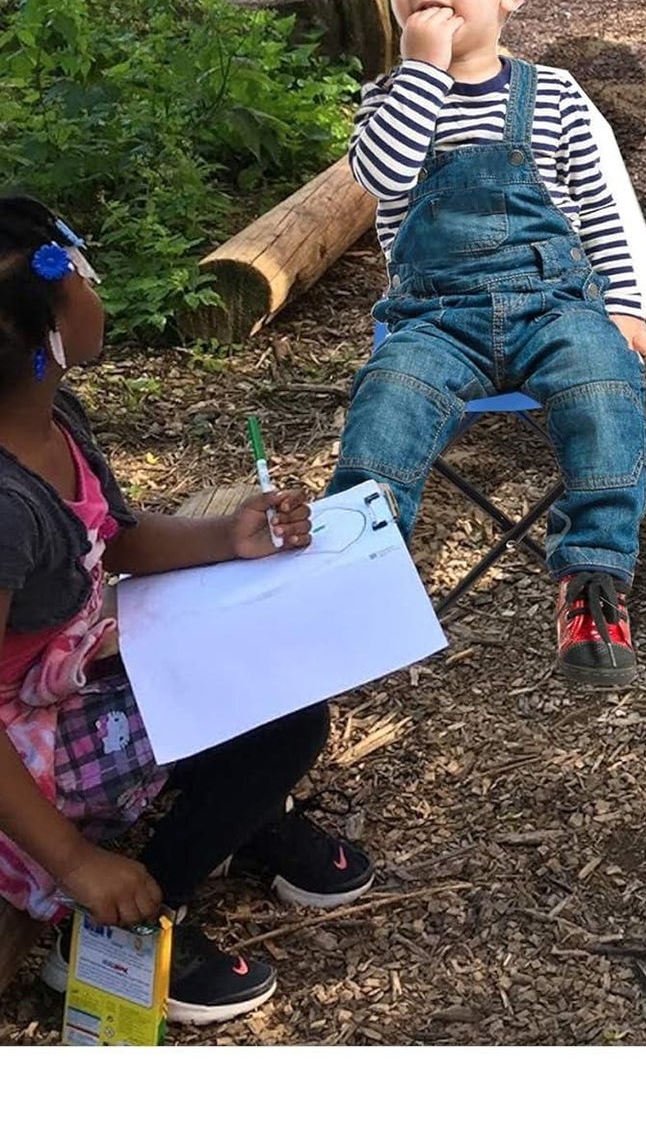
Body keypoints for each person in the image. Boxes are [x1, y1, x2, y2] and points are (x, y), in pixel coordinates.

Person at [0, 196, 374, 1027]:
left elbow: (116, 538)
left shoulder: (53, 416)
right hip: (28, 749)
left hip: (78, 668)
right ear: (48, 334)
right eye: (88, 279)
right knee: (285, 721)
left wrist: (227, 537)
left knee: (268, 668)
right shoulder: (5, 507)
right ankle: (116, 921)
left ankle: (241, 813)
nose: (102, 294)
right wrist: (76, 862)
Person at [334, 0, 646, 690]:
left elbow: (604, 208)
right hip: (433, 318)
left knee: (603, 385)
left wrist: (625, 310)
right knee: (386, 410)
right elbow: (380, 175)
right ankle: (351, 587)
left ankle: (592, 578)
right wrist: (419, 72)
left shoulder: (551, 96)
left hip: (553, 303)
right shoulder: (388, 101)